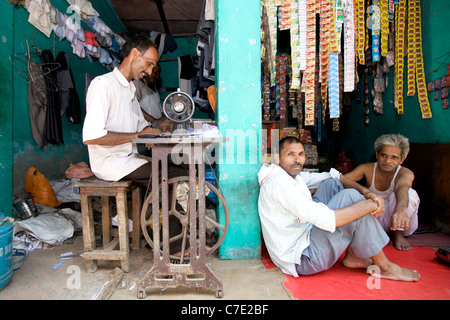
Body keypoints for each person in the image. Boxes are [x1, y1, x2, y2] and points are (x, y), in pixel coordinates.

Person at [258, 136, 420, 282]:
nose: (297, 160)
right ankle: (384, 266)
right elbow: (326, 219)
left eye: (300, 154)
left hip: (305, 236)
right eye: (291, 154)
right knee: (351, 198)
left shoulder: (292, 176)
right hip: (303, 258)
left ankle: (353, 257)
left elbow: (333, 176)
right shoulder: (279, 183)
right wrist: (368, 205)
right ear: (278, 158)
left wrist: (367, 192)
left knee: (332, 184)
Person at [82, 35, 185, 187]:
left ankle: (159, 209)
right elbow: (92, 137)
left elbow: (142, 127)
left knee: (177, 171)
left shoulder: (129, 89)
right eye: (149, 64)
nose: (150, 72)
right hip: (110, 164)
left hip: (129, 159)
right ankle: (167, 210)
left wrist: (161, 132)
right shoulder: (103, 84)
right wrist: (137, 135)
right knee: (179, 176)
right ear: (135, 54)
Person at [344, 134, 419, 251]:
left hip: (401, 220)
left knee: (409, 193)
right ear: (377, 155)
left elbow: (402, 188)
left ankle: (397, 234)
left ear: (402, 159)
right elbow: (343, 179)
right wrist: (364, 191)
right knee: (352, 193)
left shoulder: (405, 173)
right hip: (375, 220)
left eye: (394, 157)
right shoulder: (367, 169)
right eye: (384, 155)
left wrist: (401, 210)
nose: (387, 161)